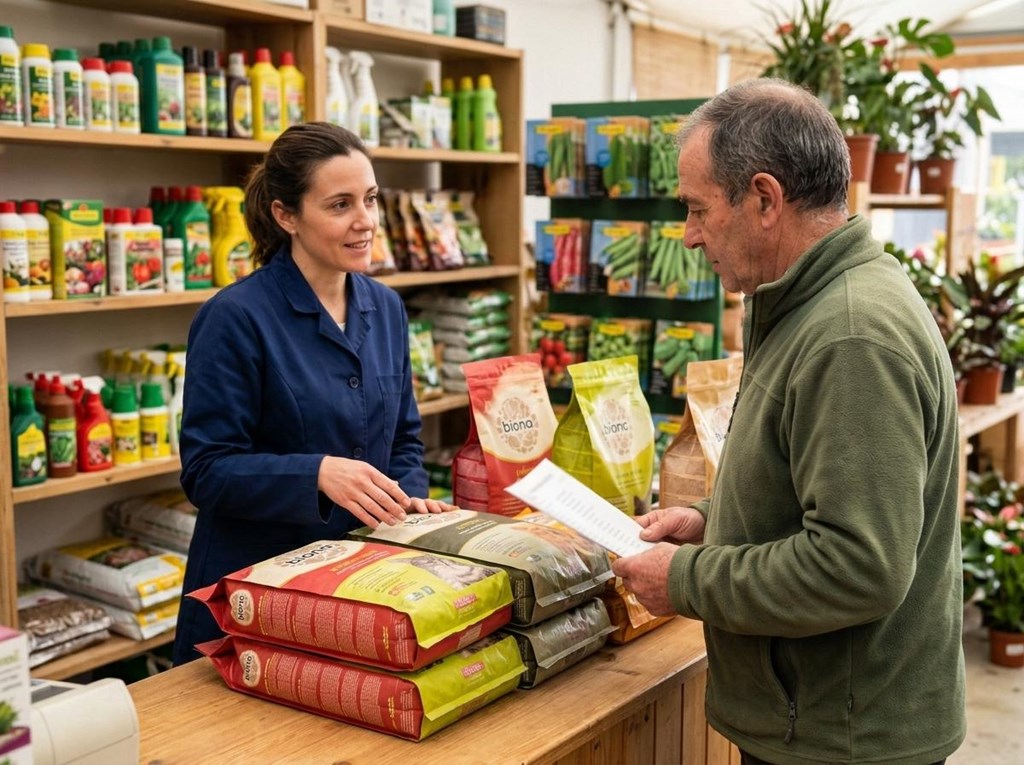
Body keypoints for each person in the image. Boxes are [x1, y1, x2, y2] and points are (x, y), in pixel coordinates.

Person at [613, 79, 965, 765]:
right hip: (823, 722)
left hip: (844, 737)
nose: (689, 235)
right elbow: (819, 482)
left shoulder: (851, 335)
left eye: (697, 209)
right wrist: (714, 519)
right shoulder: (813, 304)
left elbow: (858, 564)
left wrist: (686, 579)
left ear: (765, 199)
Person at [173, 122, 454, 665]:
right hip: (253, 598)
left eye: (370, 199)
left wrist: (408, 503)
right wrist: (317, 473)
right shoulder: (234, 318)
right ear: (286, 216)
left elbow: (404, 441)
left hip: (359, 586)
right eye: (340, 205)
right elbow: (206, 470)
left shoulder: (387, 308)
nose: (366, 221)